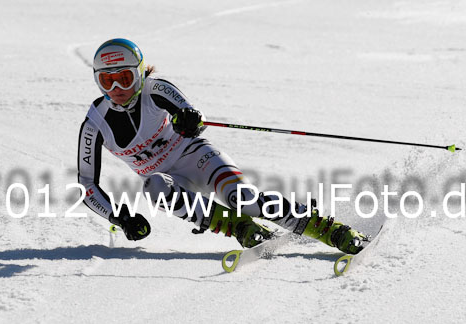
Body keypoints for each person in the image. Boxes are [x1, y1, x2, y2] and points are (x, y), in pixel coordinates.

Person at [78, 38, 366, 254]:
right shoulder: (95, 124)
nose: (117, 90)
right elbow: (87, 184)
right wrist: (120, 218)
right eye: (107, 81)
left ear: (139, 73)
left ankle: (332, 230)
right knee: (154, 186)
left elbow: (189, 112)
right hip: (173, 181)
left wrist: (189, 119)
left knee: (246, 201)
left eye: (125, 78)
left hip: (199, 159)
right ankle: (240, 227)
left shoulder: (155, 89)